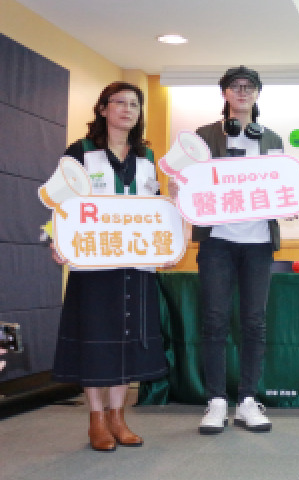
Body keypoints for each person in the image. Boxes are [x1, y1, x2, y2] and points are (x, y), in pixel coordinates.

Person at [51, 81, 167, 451]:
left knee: (126, 339)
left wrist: (167, 241)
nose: (127, 109)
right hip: (94, 264)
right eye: (119, 103)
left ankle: (118, 416)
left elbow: (156, 206)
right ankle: (96, 418)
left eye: (134, 104)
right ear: (103, 109)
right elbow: (58, 202)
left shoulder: (147, 156)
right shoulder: (81, 152)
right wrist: (57, 240)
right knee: (96, 339)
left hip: (136, 262)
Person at [194, 66, 284, 435]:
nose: (242, 92)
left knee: (254, 323)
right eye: (235, 86)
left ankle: (248, 399)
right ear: (225, 94)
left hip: (258, 242)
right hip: (217, 240)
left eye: (249, 87)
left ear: (258, 94)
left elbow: (282, 185)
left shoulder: (273, 139)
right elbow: (186, 180)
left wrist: (287, 201)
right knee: (215, 320)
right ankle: (216, 400)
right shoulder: (203, 136)